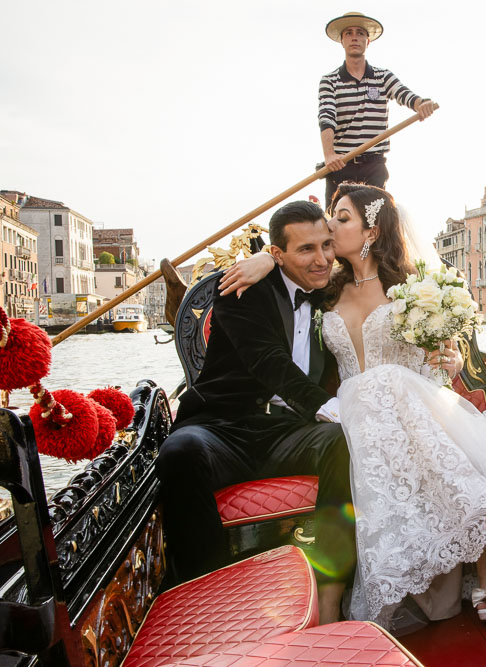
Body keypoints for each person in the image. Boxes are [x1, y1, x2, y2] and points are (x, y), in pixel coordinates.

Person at [221, 184, 486, 628]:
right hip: (349, 417)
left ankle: (484, 569)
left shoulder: (414, 290)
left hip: (412, 409)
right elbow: (289, 281)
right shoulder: (324, 289)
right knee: (372, 392)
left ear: (371, 230)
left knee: (391, 385)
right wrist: (266, 256)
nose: (330, 228)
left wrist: (449, 357)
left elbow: (444, 355)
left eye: (340, 218)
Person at [156, 200, 354, 625]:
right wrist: (334, 408)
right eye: (305, 250)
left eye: (326, 245)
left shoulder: (333, 292)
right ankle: (205, 598)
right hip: (225, 426)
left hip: (288, 431)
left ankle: (330, 589)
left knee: (342, 443)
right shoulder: (242, 289)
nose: (321, 260)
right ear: (278, 255)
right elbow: (270, 364)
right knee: (179, 453)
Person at [319, 12, 436, 207]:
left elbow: (404, 94)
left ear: (368, 41)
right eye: (348, 33)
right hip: (341, 165)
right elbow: (326, 116)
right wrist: (329, 155)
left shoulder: (382, 77)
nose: (354, 37)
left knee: (377, 221)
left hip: (374, 165)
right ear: (342, 41)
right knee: (336, 223)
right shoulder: (329, 81)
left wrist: (421, 104)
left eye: (360, 33)